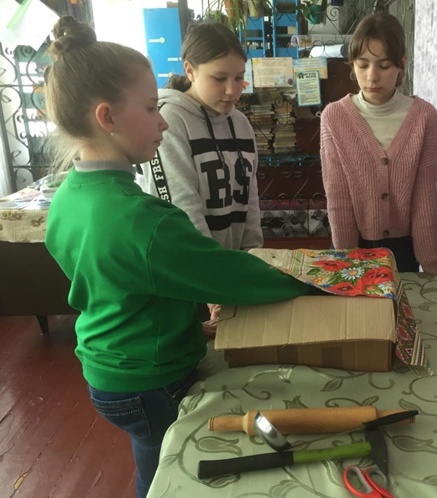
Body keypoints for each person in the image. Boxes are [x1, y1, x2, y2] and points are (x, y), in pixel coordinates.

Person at [43, 17, 312, 498]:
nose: (163, 121)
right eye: (151, 108)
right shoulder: (142, 221)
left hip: (109, 361)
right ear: (107, 117)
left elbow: (125, 283)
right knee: (168, 475)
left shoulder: (69, 198)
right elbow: (225, 275)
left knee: (150, 455)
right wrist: (314, 281)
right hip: (152, 375)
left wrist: (182, 313)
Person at [320, 13, 437, 275]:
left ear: (401, 64)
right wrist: (347, 259)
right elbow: (338, 196)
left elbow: (424, 196)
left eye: (384, 66)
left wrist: (430, 260)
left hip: (404, 251)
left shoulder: (424, 116)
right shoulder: (335, 117)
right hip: (353, 248)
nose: (372, 77)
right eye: (362, 65)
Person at [137, 22, 261, 253]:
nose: (232, 90)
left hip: (231, 264)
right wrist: (214, 267)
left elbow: (249, 201)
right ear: (190, 70)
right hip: (187, 263)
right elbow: (181, 208)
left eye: (238, 78)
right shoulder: (169, 120)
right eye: (219, 78)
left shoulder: (241, 123)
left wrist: (253, 255)